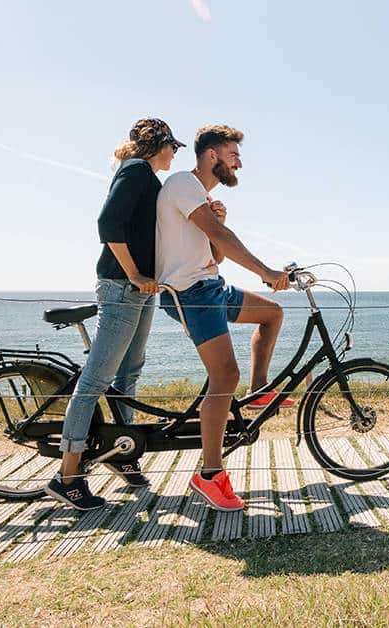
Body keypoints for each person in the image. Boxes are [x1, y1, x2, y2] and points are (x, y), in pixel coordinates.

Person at [43, 118, 184, 510]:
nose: (175, 153)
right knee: (95, 381)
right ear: (160, 144)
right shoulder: (138, 170)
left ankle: (121, 454)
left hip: (139, 289)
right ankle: (67, 477)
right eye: (174, 146)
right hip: (124, 287)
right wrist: (134, 272)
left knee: (128, 373)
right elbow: (108, 223)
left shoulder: (145, 175)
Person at [155, 124, 291, 511]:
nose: (239, 164)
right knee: (224, 376)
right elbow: (218, 239)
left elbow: (215, 256)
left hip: (212, 286)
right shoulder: (183, 183)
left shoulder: (201, 198)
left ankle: (259, 389)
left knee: (272, 313)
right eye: (234, 156)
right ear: (212, 155)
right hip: (191, 294)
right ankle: (209, 475)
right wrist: (264, 270)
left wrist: (220, 227)